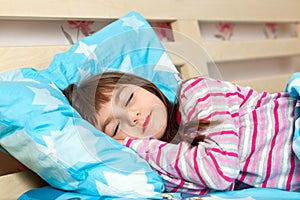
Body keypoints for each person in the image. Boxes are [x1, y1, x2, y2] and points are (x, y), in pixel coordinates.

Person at [63, 71, 300, 194]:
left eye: (129, 98)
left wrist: (140, 145)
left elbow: (220, 173)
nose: (132, 116)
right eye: (116, 127)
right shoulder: (166, 164)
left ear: (144, 86)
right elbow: (210, 187)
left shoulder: (197, 92)